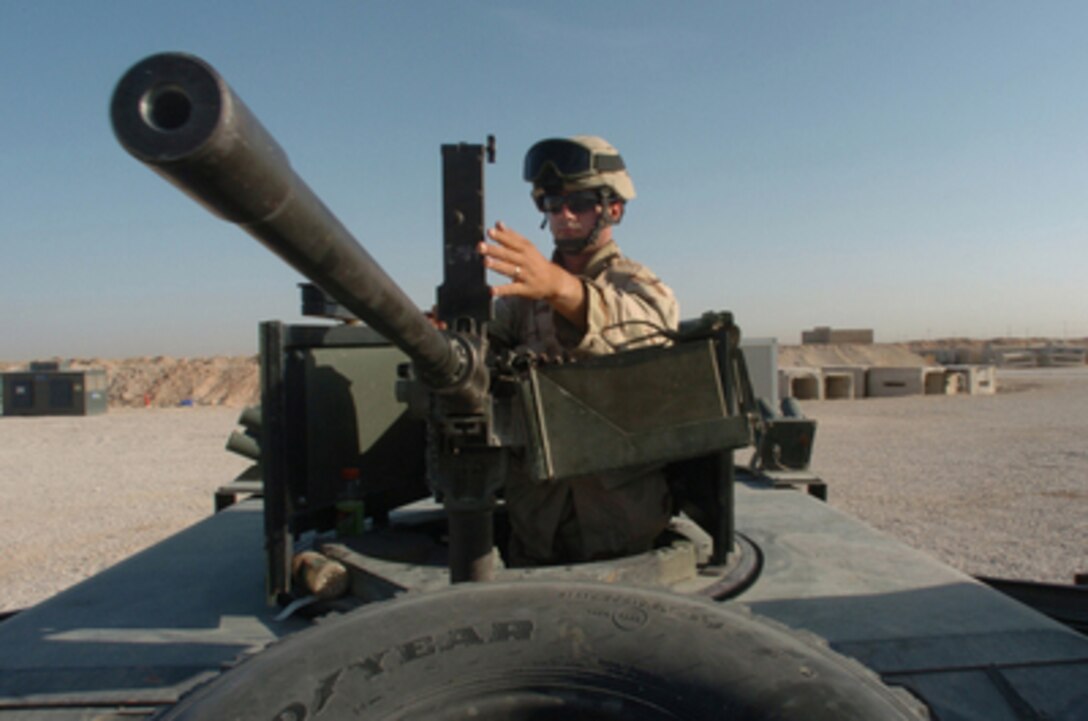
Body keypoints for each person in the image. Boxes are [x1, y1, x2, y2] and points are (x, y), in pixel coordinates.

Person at [477, 135, 680, 565]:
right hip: (537, 512)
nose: (564, 215)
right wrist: (451, 332)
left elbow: (653, 330)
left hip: (618, 515)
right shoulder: (521, 298)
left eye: (580, 203)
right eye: (553, 204)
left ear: (613, 209)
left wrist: (558, 288)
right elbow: (484, 347)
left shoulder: (635, 283)